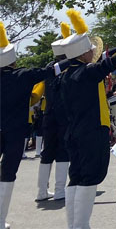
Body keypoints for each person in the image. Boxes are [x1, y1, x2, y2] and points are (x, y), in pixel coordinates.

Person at [59, 10, 116, 229]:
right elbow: (108, 64)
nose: (92, 52)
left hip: (74, 132)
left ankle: (75, 225)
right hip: (91, 131)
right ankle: (81, 226)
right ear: (81, 54)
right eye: (89, 50)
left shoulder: (65, 75)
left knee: (76, 178)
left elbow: (104, 62)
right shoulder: (86, 72)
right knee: (89, 178)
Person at [0, 21, 68, 229]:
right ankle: (0, 220)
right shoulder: (23, 75)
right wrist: (72, 56)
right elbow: (53, 70)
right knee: (8, 174)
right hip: (15, 132)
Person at [35, 23, 72, 203]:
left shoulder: (49, 67)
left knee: (47, 151)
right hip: (64, 114)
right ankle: (59, 190)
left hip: (48, 113)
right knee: (63, 151)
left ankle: (42, 191)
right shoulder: (69, 67)